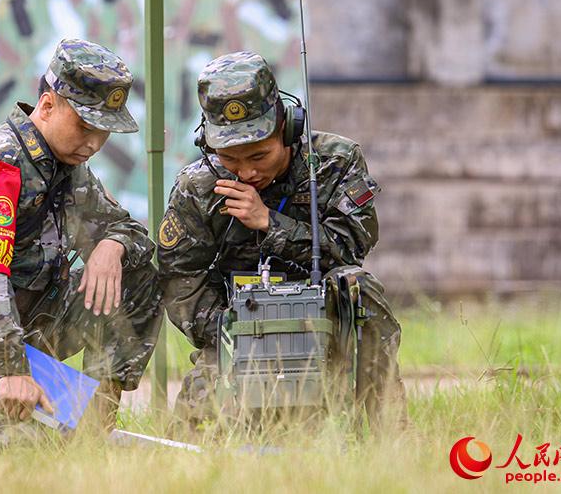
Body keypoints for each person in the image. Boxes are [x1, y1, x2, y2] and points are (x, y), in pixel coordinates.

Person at [0, 38, 162, 442]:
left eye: (104, 133)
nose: (94, 143)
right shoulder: (1, 161)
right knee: (20, 452)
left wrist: (111, 247)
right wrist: (11, 369)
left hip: (34, 322)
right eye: (85, 126)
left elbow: (126, 229)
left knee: (137, 275)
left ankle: (93, 433)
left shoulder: (67, 166)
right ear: (46, 105)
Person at [158, 51, 408, 430]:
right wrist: (236, 329)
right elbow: (179, 280)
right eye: (229, 159)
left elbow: (352, 245)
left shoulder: (334, 162)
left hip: (327, 326)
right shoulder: (198, 187)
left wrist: (269, 223)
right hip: (236, 334)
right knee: (197, 439)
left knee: (360, 286)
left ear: (287, 128)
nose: (247, 171)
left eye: (259, 155)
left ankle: (386, 429)